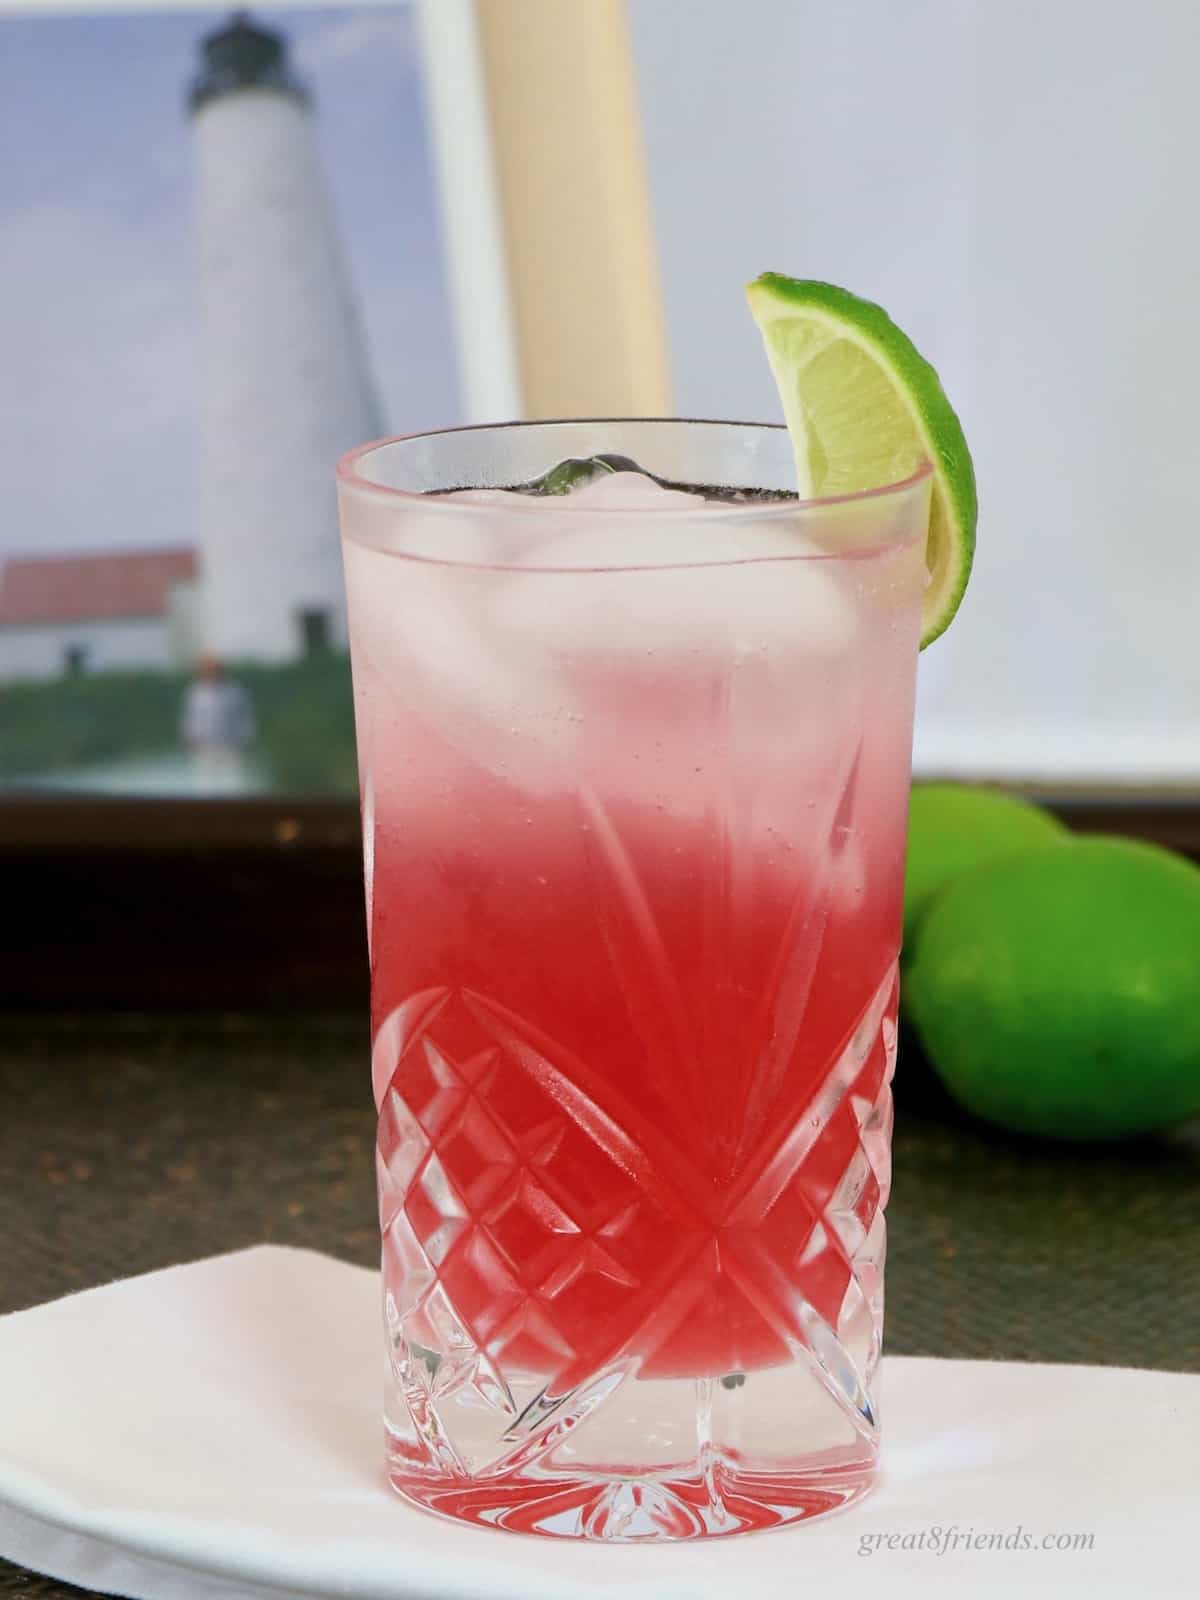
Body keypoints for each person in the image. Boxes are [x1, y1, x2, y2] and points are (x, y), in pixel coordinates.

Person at [179, 655, 256, 791]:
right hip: (204, 748)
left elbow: (245, 717)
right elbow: (189, 719)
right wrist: (188, 739)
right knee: (204, 789)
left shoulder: (235, 691)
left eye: (215, 669)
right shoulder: (195, 692)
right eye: (208, 669)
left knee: (234, 787)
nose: (212, 672)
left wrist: (246, 738)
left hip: (230, 747)